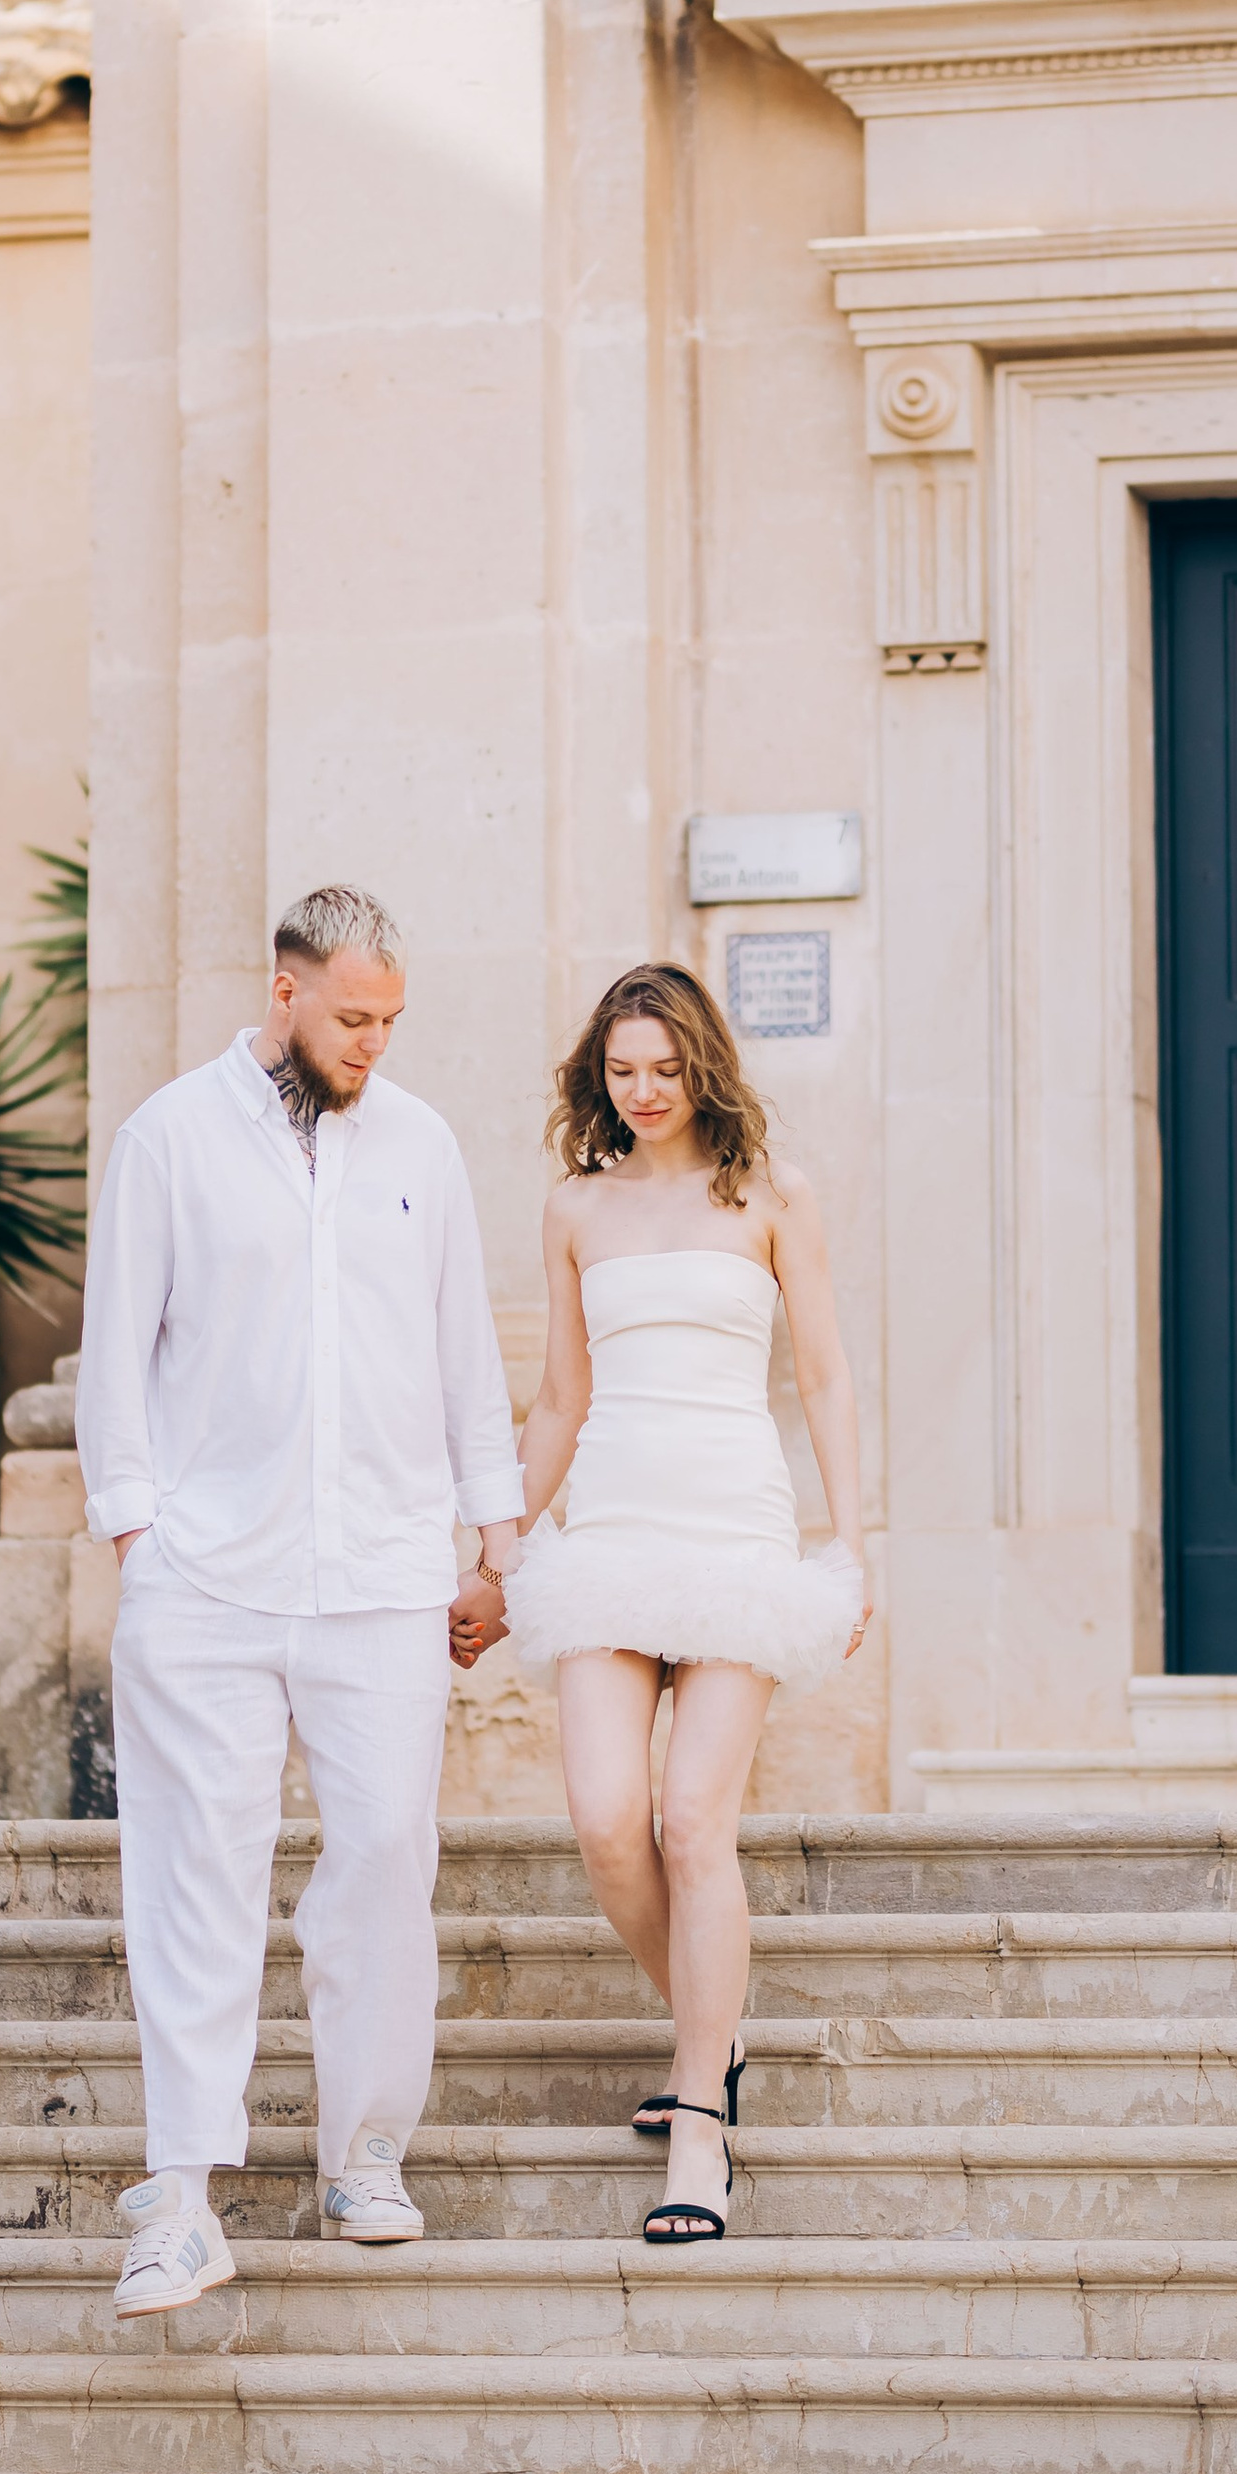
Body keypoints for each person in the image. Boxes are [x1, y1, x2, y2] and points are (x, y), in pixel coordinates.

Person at [74, 885, 523, 2319]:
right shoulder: (168, 1139)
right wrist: (138, 1537)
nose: (372, 1044)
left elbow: (466, 1355)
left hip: (386, 1573)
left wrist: (495, 1543)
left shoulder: (424, 1147)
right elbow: (113, 1353)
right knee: (197, 1872)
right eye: (350, 1018)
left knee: (387, 1850)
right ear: (284, 992)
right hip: (204, 1577)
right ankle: (184, 2199)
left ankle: (363, 2152)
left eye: (390, 1021)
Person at [457, 962, 870, 2248]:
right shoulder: (575, 1207)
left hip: (736, 1533)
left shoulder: (771, 1194)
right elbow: (559, 1400)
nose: (643, 1092)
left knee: (694, 1817)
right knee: (601, 1819)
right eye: (622, 1071)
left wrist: (848, 1544)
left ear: (704, 1067)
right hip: (611, 1532)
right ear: (601, 1074)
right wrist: (495, 1548)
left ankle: (700, 2119)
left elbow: (823, 1377)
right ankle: (716, 2026)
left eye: (664, 1069)